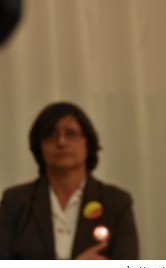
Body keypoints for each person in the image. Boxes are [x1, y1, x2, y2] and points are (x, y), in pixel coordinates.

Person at [0, 102, 139, 259]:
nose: (61, 142)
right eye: (51, 135)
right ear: (39, 147)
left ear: (88, 143)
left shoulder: (116, 202)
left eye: (71, 134)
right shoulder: (15, 202)